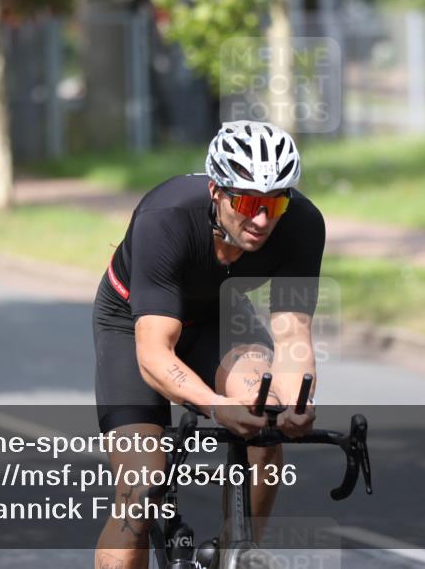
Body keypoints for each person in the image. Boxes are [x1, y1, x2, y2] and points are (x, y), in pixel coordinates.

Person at [92, 120, 326, 569]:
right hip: (134, 322)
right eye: (248, 201)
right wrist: (216, 406)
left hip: (219, 313)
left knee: (266, 413)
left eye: (275, 202)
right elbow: (155, 354)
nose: (262, 219)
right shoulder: (166, 218)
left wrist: (300, 400)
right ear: (216, 191)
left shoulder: (301, 226)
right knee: (141, 487)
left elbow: (293, 333)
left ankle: (234, 553)